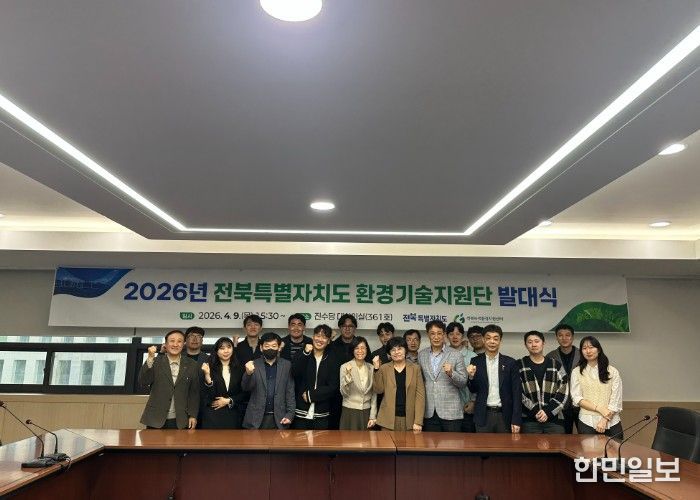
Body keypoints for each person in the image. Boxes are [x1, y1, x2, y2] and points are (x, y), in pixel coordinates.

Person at [139, 330, 199, 429]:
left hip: (181, 420)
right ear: (166, 344)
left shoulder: (192, 365)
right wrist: (150, 358)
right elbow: (143, 381)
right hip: (155, 419)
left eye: (179, 341)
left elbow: (194, 393)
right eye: (172, 341)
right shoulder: (156, 361)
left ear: (184, 344)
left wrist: (193, 415)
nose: (175, 344)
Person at [467, 324, 521, 433]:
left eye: (496, 339)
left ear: (500, 341)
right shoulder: (476, 361)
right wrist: (471, 377)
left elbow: (517, 392)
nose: (492, 342)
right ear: (483, 340)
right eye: (488, 338)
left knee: (505, 444)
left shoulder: (510, 362)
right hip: (483, 415)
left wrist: (516, 419)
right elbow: (474, 389)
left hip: (505, 416)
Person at [418, 320, 468, 432]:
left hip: (451, 412)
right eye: (432, 333)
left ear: (444, 335)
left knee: (452, 443)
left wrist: (452, 373)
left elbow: (463, 382)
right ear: (428, 335)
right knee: (429, 443)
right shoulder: (422, 355)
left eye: (439, 333)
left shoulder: (456, 354)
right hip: (429, 412)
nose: (436, 337)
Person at [570, 336, 623, 437]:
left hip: (612, 422)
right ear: (581, 352)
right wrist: (599, 409)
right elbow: (577, 398)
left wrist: (605, 419)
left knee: (615, 448)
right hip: (586, 421)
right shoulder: (576, 372)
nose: (588, 351)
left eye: (591, 347)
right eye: (584, 348)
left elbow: (616, 400)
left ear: (598, 349)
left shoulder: (612, 371)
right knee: (587, 448)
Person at [241, 332, 295, 429]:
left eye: (274, 346)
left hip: (280, 418)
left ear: (279, 348)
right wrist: (248, 374)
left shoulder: (287, 365)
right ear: (261, 348)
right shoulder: (253, 364)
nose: (270, 348)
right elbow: (245, 388)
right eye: (267, 346)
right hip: (255, 419)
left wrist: (290, 414)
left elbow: (290, 391)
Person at [518, 331, 568, 434]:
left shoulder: (556, 365)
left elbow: (563, 390)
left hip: (554, 420)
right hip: (529, 420)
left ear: (543, 343)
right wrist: (535, 411)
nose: (533, 344)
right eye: (530, 342)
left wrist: (548, 412)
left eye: (537, 341)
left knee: (557, 444)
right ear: (525, 345)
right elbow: (517, 392)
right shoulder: (519, 365)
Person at [292, 324, 340, 430]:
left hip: (322, 412)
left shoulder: (332, 358)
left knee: (321, 440)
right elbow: (294, 373)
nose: (320, 339)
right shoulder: (302, 353)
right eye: (318, 336)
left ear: (329, 341)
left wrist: (311, 395)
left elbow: (333, 386)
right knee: (299, 440)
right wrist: (305, 353)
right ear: (313, 337)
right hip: (301, 410)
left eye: (324, 337)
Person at [372, 337, 425, 432]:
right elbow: (378, 390)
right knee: (386, 441)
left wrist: (418, 421)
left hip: (410, 419)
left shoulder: (415, 368)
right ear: (389, 353)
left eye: (399, 349)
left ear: (405, 350)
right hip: (387, 419)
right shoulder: (384, 368)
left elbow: (420, 396)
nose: (396, 352)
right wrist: (376, 369)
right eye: (393, 350)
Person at [200, 336, 245, 429]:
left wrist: (229, 400)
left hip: (233, 415)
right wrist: (207, 377)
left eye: (229, 347)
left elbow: (245, 393)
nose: (226, 351)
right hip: (213, 415)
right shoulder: (208, 367)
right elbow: (207, 395)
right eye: (222, 348)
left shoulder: (240, 369)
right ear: (216, 351)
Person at [546, 323, 581, 433]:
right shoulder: (550, 357)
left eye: (567, 335)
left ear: (572, 337)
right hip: (560, 404)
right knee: (564, 436)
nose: (564, 338)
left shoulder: (582, 355)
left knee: (585, 436)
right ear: (556, 337)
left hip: (581, 403)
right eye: (560, 335)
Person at [339, 336, 378, 430]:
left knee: (366, 439)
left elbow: (374, 394)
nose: (360, 351)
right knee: (348, 439)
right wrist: (348, 375)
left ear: (367, 349)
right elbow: (344, 393)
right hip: (349, 410)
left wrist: (373, 416)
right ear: (353, 350)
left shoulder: (371, 367)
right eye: (357, 348)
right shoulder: (345, 366)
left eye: (363, 348)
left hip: (366, 411)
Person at [446, 322, 477, 432]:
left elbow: (479, 383)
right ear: (446, 336)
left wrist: (473, 401)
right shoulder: (443, 355)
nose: (455, 337)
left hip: (467, 408)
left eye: (458, 334)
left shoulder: (473, 357)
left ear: (462, 336)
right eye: (451, 334)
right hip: (447, 410)